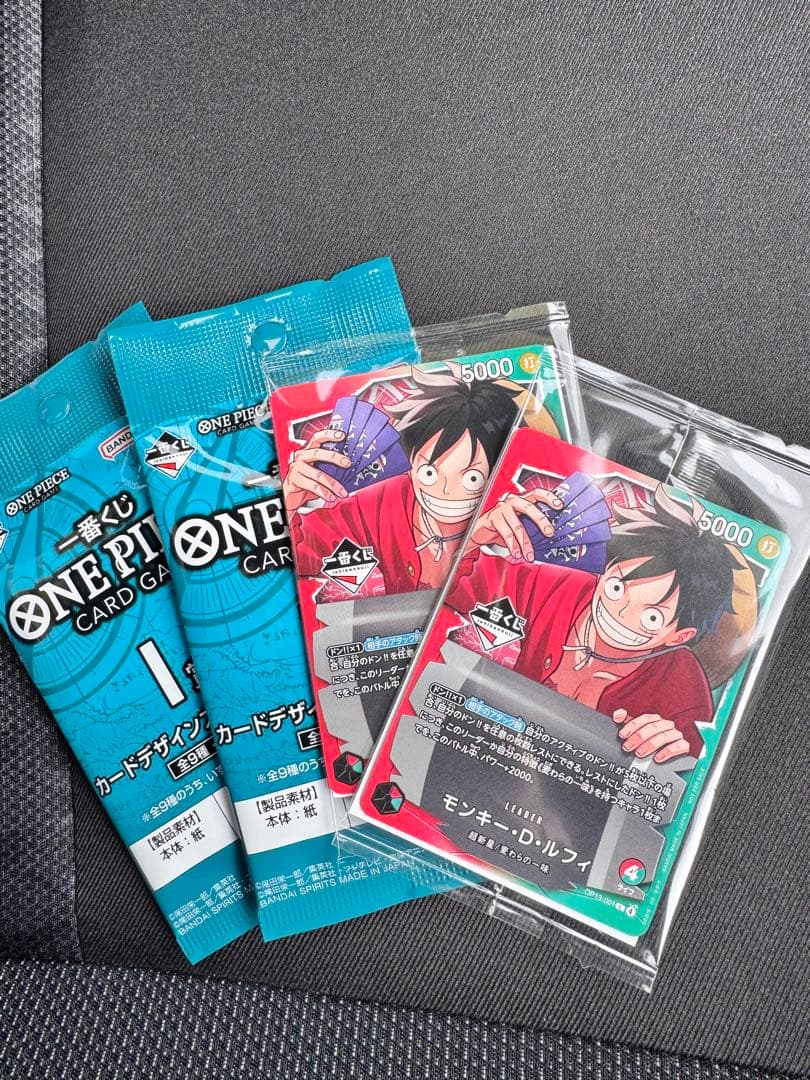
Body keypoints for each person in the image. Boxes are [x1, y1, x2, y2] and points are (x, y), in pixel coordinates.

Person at [449, 484, 739, 762]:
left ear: (678, 636)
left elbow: (688, 769)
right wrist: (475, 536)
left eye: (652, 617)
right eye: (616, 587)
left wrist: (672, 750)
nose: (619, 612)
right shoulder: (559, 589)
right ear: (605, 570)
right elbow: (454, 584)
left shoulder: (682, 685)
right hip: (480, 748)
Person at [283, 366, 559, 590]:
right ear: (410, 460)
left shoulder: (511, 528)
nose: (446, 491)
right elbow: (299, 560)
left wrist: (472, 544)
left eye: (472, 478)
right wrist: (291, 502)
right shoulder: (377, 505)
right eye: (429, 473)